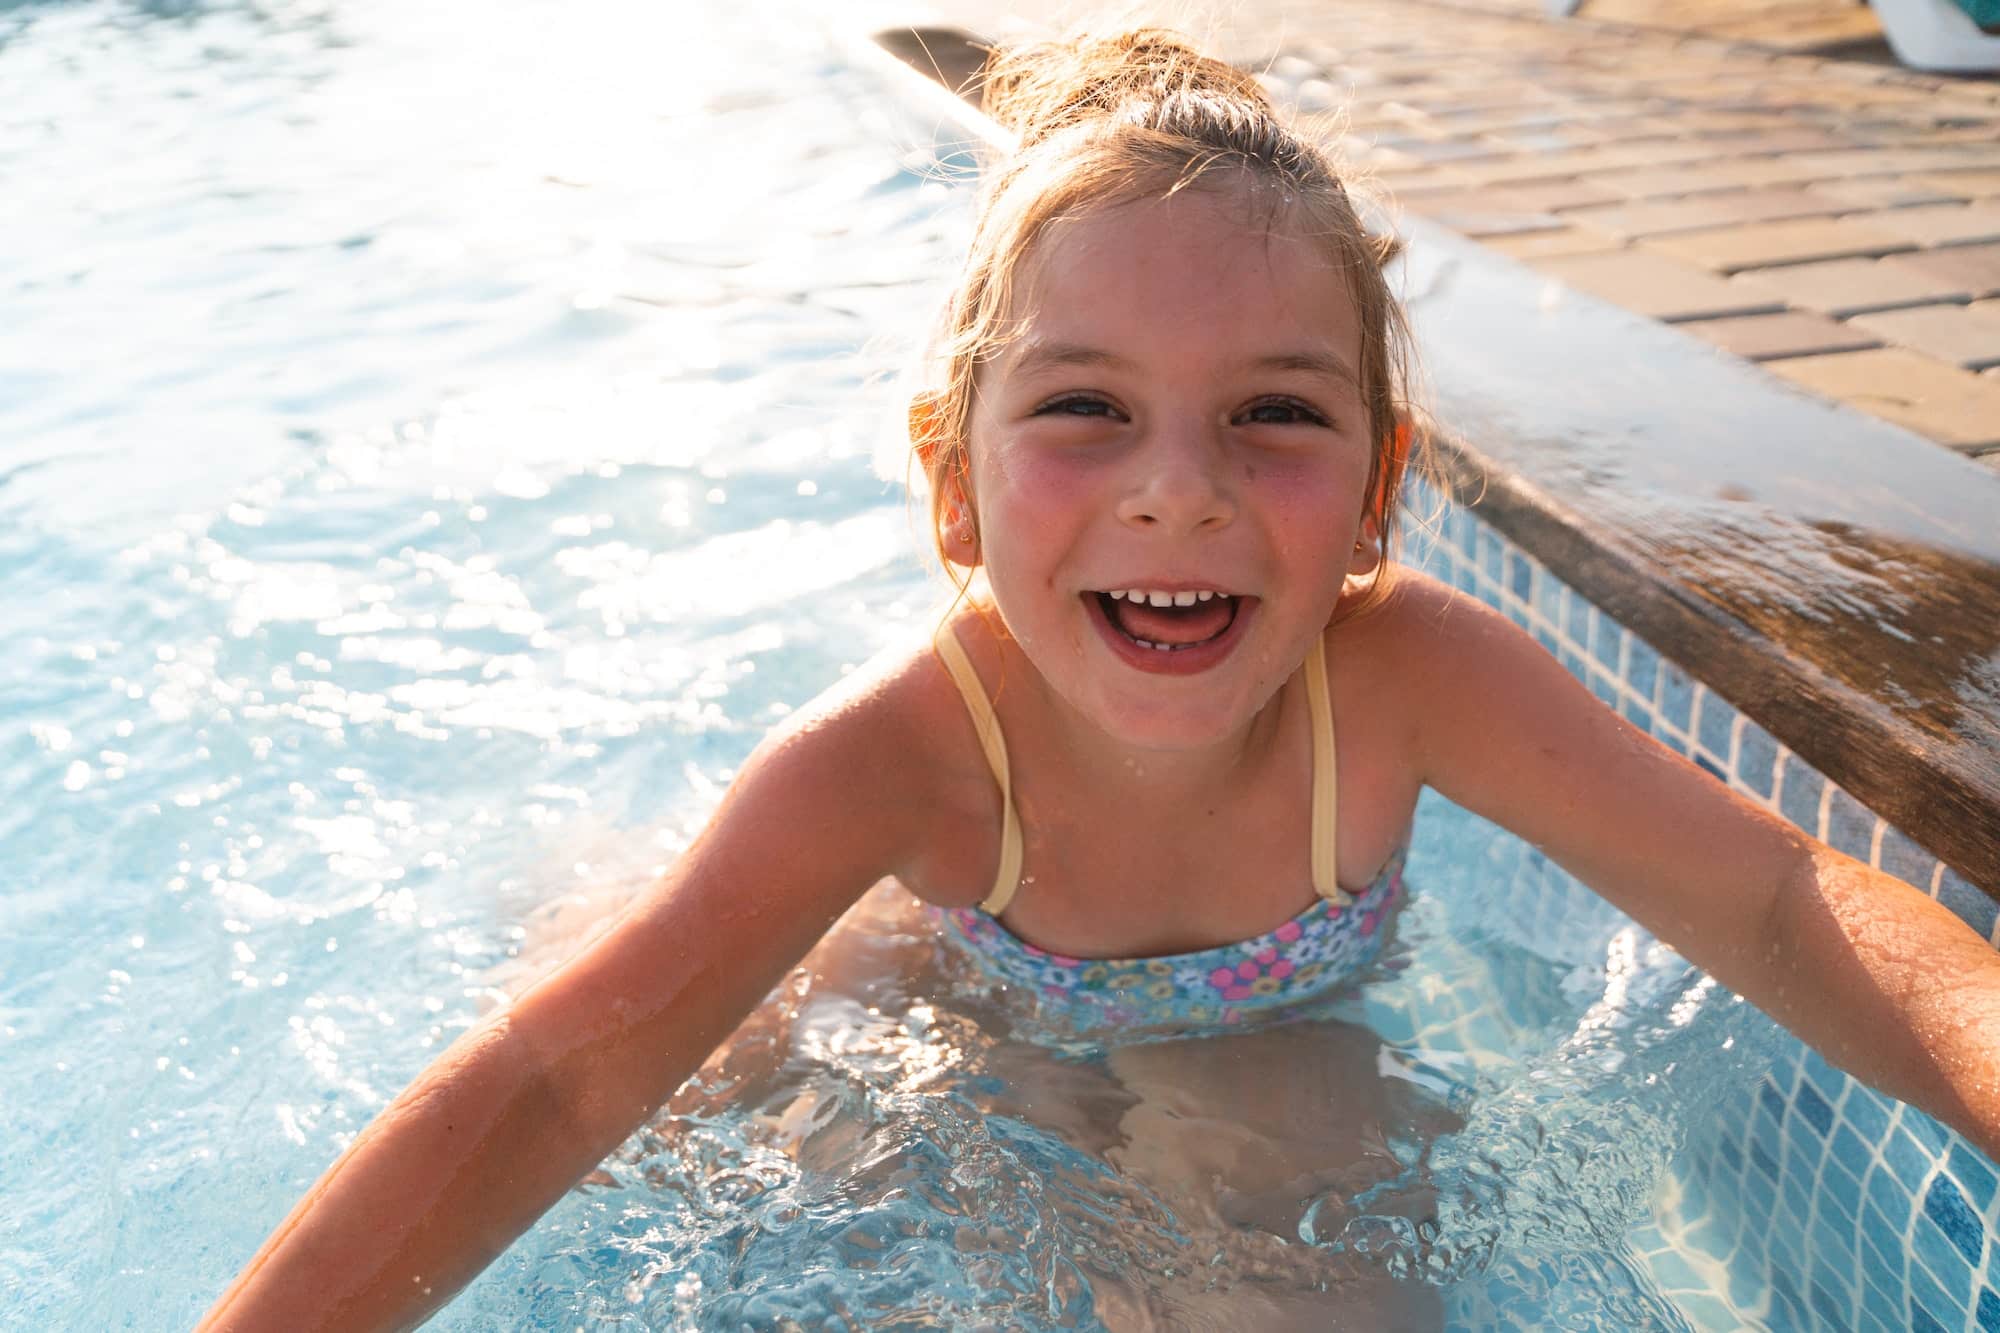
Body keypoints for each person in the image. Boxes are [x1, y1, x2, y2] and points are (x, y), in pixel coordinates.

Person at [200, 26, 2000, 1330]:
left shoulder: (1410, 679)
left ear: (1377, 496)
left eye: (1277, 414)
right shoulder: (903, 755)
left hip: (1264, 1027)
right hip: (945, 982)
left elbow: (1771, 897)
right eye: (1084, 407)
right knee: (716, 1104)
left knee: (1308, 1230)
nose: (1180, 485)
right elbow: (552, 1086)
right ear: (952, 482)